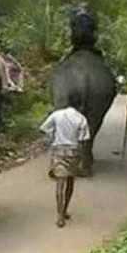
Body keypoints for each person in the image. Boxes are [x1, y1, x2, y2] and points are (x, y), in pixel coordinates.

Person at [39, 97, 90, 228]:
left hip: (59, 151)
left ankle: (60, 216)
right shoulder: (81, 118)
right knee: (70, 183)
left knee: (59, 184)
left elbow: (44, 128)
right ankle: (65, 209)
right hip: (73, 152)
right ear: (80, 106)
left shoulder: (57, 114)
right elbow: (84, 139)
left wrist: (53, 136)